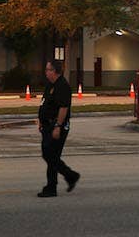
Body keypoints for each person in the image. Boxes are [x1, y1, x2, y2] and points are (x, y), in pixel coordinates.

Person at [37, 60, 80, 197]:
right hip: (47, 125)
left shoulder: (62, 86)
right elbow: (44, 103)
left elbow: (63, 108)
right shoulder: (50, 85)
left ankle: (56, 184)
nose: (46, 72)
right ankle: (68, 177)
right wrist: (40, 120)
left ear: (55, 71)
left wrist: (58, 126)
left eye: (48, 69)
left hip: (57, 126)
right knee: (50, 156)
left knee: (51, 155)